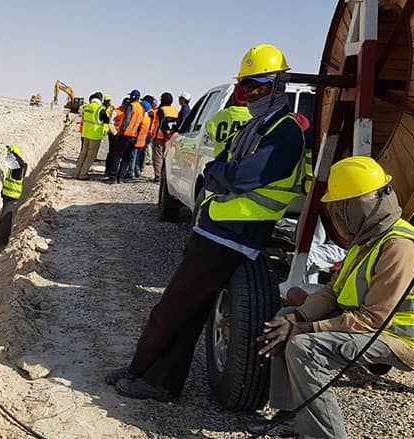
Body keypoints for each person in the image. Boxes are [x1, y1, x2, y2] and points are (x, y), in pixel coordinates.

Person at [105, 44, 305, 401]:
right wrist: (220, 172)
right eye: (247, 86)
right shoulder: (258, 125)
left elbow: (246, 175)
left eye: (258, 86)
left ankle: (148, 377)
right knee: (188, 310)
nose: (251, 93)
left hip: (233, 237)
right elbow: (222, 165)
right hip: (215, 230)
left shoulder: (285, 131)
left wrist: (220, 173)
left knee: (172, 309)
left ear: (279, 85)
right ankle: (152, 377)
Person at [250, 156, 414, 438]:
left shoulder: (399, 247)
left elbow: (374, 320)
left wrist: (304, 329)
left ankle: (326, 435)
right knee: (282, 320)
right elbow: (333, 292)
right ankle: (291, 417)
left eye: (339, 206)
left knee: (304, 347)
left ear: (355, 206)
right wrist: (295, 318)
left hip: (407, 340)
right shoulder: (369, 240)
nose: (336, 214)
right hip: (382, 329)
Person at [0, 145, 28, 248]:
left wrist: (13, 153)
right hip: (8, 197)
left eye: (10, 156)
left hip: (11, 198)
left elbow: (20, 163)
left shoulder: (18, 169)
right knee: (5, 219)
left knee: (5, 221)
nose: (9, 158)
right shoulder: (16, 168)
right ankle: (2, 239)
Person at [204, 84, 252, 158]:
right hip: (245, 165)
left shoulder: (219, 116)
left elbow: (208, 128)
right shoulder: (256, 116)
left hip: (221, 165)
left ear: (234, 96)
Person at [110, 90, 144, 184]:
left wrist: (119, 133)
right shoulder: (141, 108)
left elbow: (126, 121)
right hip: (134, 137)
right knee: (126, 158)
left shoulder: (131, 106)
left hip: (125, 135)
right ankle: (120, 178)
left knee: (117, 155)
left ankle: (113, 177)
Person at [75, 92, 108, 179]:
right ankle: (83, 174)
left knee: (83, 153)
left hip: (86, 133)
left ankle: (77, 172)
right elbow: (106, 121)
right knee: (91, 156)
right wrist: (104, 131)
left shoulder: (87, 107)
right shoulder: (100, 109)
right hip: (95, 135)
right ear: (100, 99)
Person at [150, 92, 179, 182]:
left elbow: (162, 124)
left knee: (158, 157)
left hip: (159, 136)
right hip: (171, 137)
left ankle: (158, 176)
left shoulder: (161, 110)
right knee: (167, 157)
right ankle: (166, 175)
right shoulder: (175, 111)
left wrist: (165, 134)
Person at [128, 100, 152, 179]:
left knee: (133, 157)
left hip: (136, 140)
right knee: (137, 157)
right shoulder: (148, 119)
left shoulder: (141, 118)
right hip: (142, 141)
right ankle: (137, 171)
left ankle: (131, 172)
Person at [105, 97, 129, 177]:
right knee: (112, 152)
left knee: (117, 153)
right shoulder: (116, 111)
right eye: (125, 105)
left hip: (121, 135)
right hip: (113, 134)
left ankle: (113, 169)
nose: (125, 107)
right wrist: (115, 133)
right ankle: (108, 170)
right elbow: (111, 123)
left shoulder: (127, 112)